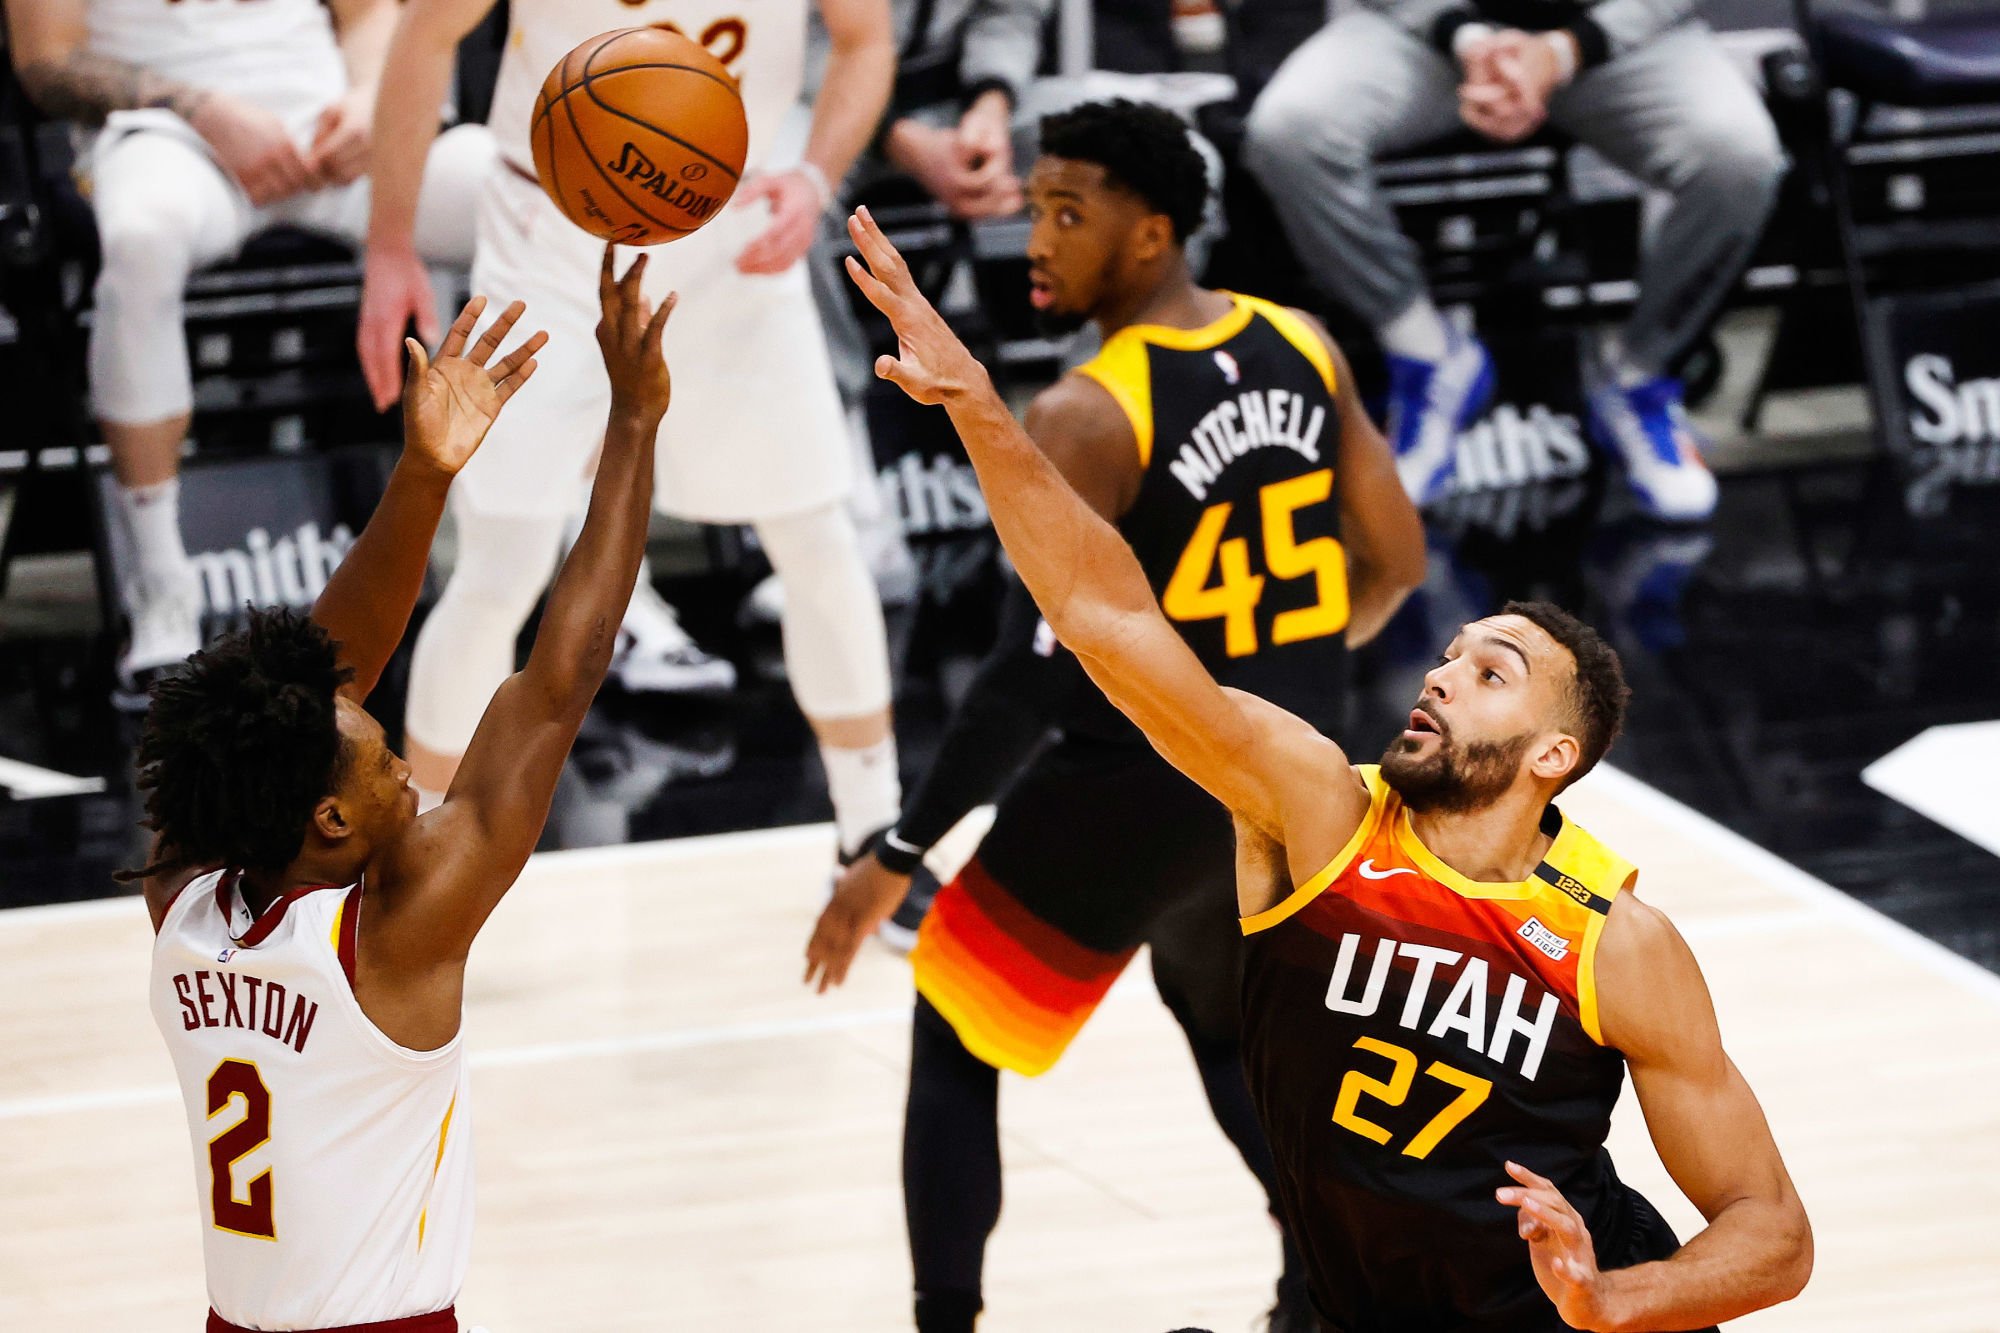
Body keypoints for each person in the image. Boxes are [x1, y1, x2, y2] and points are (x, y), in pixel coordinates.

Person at [842, 204, 1816, 1329]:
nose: (1440, 675)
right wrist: (978, 406)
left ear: (1552, 755)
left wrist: (1610, 1296)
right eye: (1447, 656)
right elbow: (1104, 614)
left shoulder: (1615, 944)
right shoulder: (1316, 809)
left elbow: (1772, 1232)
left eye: (1488, 672)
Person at [807, 101, 1429, 1333]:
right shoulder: (1299, 341)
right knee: (1227, 1030)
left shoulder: (1087, 411)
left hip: (1139, 791)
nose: (1036, 238)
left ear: (1149, 234)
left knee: (954, 1022)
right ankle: (1324, 1296)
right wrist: (1287, 673)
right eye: (1035, 207)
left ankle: (944, 1323)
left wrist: (899, 848)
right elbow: (1397, 560)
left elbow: (1024, 680)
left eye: (1067, 213)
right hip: (1292, 782)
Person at [135, 254, 670, 1332]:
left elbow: (306, 684)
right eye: (386, 763)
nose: (408, 771)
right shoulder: (389, 935)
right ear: (329, 818)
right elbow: (560, 678)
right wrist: (632, 422)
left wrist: (426, 474)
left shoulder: (182, 895)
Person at [359, 0, 906, 868]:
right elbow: (425, 34)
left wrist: (813, 177)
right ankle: (416, 860)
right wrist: (390, 244)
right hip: (549, 229)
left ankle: (875, 839)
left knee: (815, 537)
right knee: (500, 566)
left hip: (731, 221)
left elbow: (865, 38)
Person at [5, 0, 492, 707]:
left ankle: (588, 562)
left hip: (330, 132)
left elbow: (367, 14)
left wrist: (371, 96)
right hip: (167, 138)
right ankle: (161, 585)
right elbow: (44, 60)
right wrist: (202, 110)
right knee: (142, 238)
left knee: (525, 197)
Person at [1241, 0, 1784, 521]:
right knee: (1290, 131)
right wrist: (1466, 37)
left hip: (1620, 35)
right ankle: (1427, 355)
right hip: (1429, 35)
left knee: (1739, 157)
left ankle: (1639, 378)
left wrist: (1564, 51)